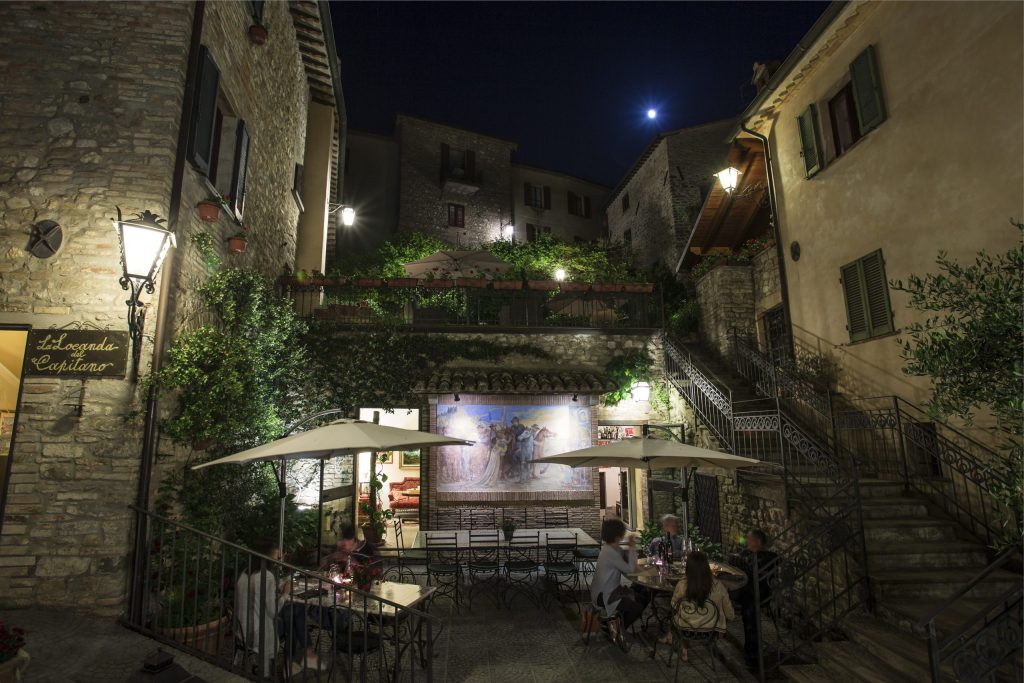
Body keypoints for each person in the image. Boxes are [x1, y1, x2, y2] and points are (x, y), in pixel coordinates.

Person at [234, 539, 326, 676]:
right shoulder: (267, 576)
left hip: (242, 628)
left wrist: (277, 588)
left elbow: (258, 596)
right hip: (258, 633)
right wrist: (285, 593)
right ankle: (297, 660)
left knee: (293, 612)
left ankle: (300, 658)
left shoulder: (246, 573)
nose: (279, 561)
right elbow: (272, 612)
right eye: (276, 557)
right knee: (294, 615)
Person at [590, 519, 649, 644]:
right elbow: (630, 568)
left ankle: (614, 624)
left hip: (604, 592)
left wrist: (629, 548)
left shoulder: (609, 549)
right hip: (605, 596)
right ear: (618, 536)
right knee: (638, 606)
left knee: (641, 594)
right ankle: (617, 629)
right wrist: (632, 546)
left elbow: (625, 558)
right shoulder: (610, 553)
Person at [667, 551, 735, 656]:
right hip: (711, 631)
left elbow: (673, 605)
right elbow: (729, 611)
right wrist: (730, 618)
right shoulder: (718, 585)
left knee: (679, 617)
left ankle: (684, 648)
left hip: (685, 630)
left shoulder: (682, 584)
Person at [732, 529, 778, 670]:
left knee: (750, 611)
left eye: (749, 539)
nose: (746, 541)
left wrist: (745, 562)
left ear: (758, 542)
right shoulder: (746, 553)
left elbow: (758, 573)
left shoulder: (769, 557)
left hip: (759, 593)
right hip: (746, 591)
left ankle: (753, 655)